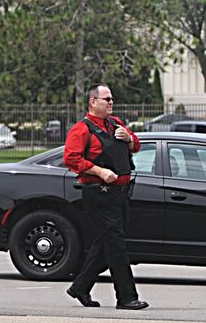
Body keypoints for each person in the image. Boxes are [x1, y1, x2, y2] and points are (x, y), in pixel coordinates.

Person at [63, 84, 148, 310]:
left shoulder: (116, 124)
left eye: (112, 99)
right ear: (93, 102)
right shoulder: (81, 129)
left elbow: (136, 146)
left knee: (107, 242)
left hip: (121, 193)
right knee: (116, 245)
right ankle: (126, 297)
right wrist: (99, 171)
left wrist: (128, 138)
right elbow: (71, 159)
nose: (111, 103)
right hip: (99, 193)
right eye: (106, 99)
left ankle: (80, 287)